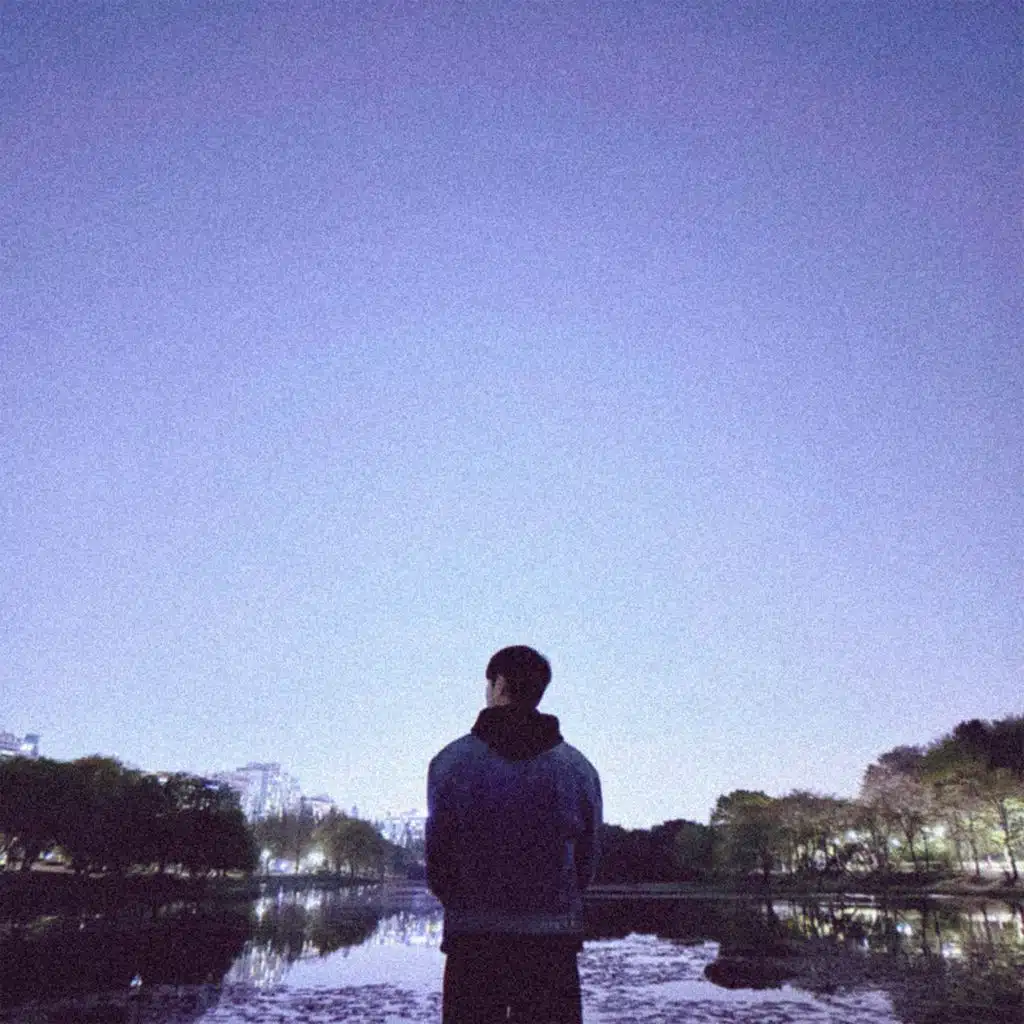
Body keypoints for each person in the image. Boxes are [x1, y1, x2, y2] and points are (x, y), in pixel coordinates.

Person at [426, 645, 602, 1024]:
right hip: (552, 944)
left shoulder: (450, 763)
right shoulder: (578, 769)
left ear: (499, 684)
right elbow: (586, 866)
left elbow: (438, 864)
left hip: (473, 941)